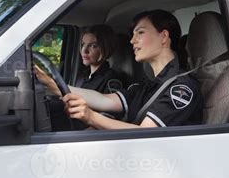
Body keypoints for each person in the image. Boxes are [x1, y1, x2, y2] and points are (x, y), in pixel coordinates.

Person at [36, 10, 203, 129]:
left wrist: (91, 117)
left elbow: (147, 134)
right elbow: (103, 99)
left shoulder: (182, 88)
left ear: (164, 37)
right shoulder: (144, 86)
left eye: (140, 33)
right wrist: (50, 84)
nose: (132, 41)